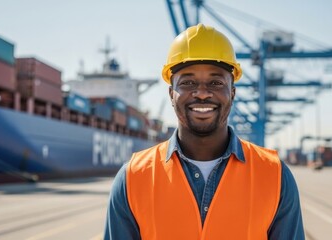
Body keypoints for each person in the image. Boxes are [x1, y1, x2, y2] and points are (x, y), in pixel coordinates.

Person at [104, 23, 304, 239]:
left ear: (233, 92)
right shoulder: (132, 178)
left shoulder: (275, 176)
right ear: (171, 94)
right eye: (188, 82)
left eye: (216, 82)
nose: (201, 93)